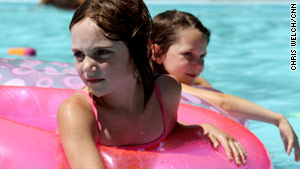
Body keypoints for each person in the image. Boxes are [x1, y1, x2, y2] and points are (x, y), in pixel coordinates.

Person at [57, 1, 247, 168]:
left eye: (102, 53)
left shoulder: (165, 92)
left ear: (143, 49)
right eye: (79, 54)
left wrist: (201, 130)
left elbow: (168, 135)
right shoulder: (78, 112)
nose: (87, 66)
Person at [150, 10, 300, 162]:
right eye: (188, 54)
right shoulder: (166, 85)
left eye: (202, 56)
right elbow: (223, 102)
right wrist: (278, 119)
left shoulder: (198, 83)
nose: (198, 65)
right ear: (157, 53)